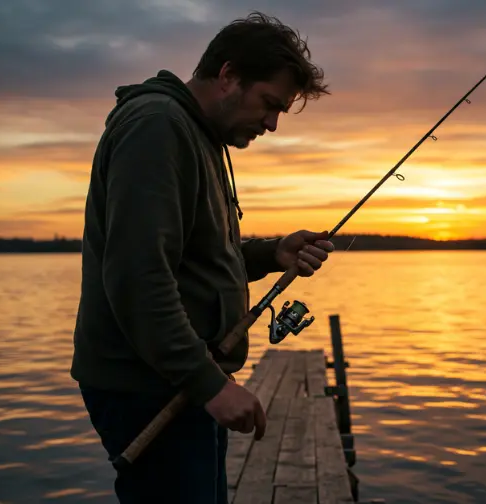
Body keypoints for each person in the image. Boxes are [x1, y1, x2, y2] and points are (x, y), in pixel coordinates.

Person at [70, 10, 333, 504]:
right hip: (149, 387)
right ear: (229, 75)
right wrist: (210, 385)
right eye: (269, 104)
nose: (273, 124)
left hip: (178, 379)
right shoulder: (157, 128)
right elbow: (138, 278)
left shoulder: (199, 134)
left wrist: (272, 252)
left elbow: (200, 255)